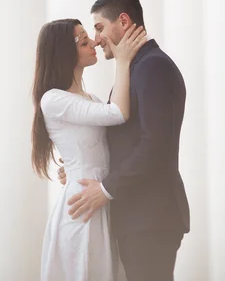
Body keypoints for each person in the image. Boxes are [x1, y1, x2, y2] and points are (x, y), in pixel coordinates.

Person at [58, 0, 190, 281]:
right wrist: (81, 163)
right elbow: (123, 140)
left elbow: (154, 145)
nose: (97, 38)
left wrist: (104, 189)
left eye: (100, 27)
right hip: (140, 217)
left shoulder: (152, 66)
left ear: (124, 21)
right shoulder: (137, 67)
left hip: (150, 217)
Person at [32, 18, 147, 280]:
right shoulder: (53, 99)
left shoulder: (91, 99)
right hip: (82, 205)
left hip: (102, 197)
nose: (95, 42)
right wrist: (123, 60)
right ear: (65, 53)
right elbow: (118, 113)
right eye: (85, 42)